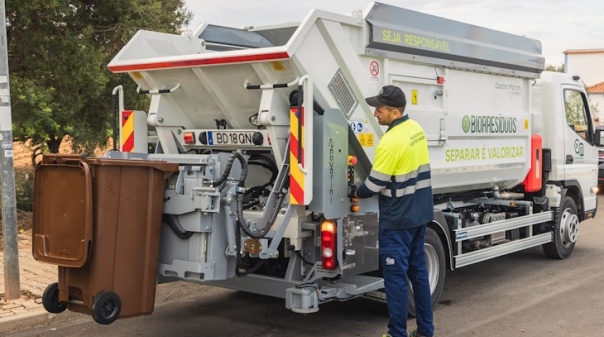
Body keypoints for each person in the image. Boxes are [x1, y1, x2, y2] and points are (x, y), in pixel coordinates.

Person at [351, 85, 434, 337]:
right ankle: (426, 331)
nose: (375, 113)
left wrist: (355, 191)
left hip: (397, 220)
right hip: (419, 216)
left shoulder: (390, 141)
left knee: (395, 280)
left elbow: (375, 184)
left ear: (395, 113)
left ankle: (397, 334)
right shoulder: (416, 130)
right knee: (418, 275)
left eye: (380, 109)